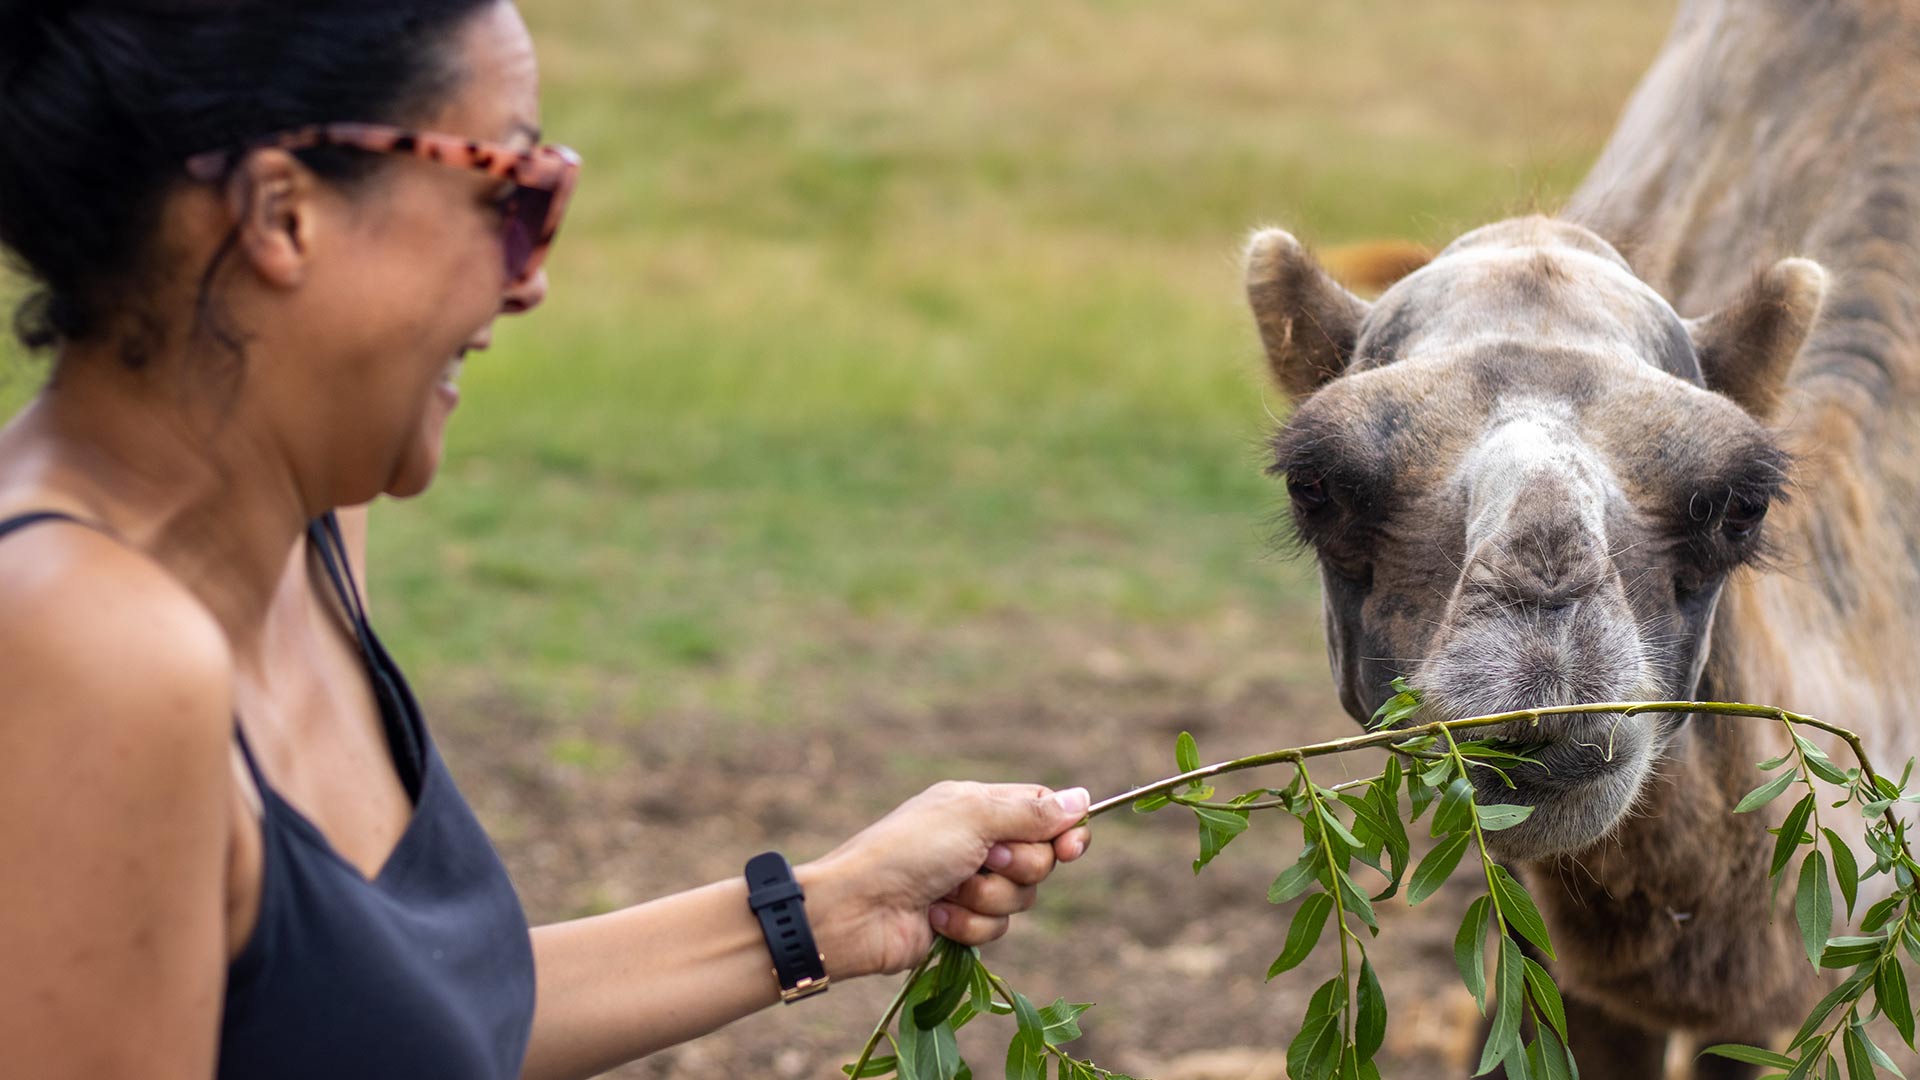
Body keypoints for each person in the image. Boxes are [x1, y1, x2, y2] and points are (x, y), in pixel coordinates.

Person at [0, 2, 1093, 1076]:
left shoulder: (311, 532)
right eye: (513, 193)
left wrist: (826, 909)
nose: (530, 278)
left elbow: (395, 1027)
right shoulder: (74, 658)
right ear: (283, 216)